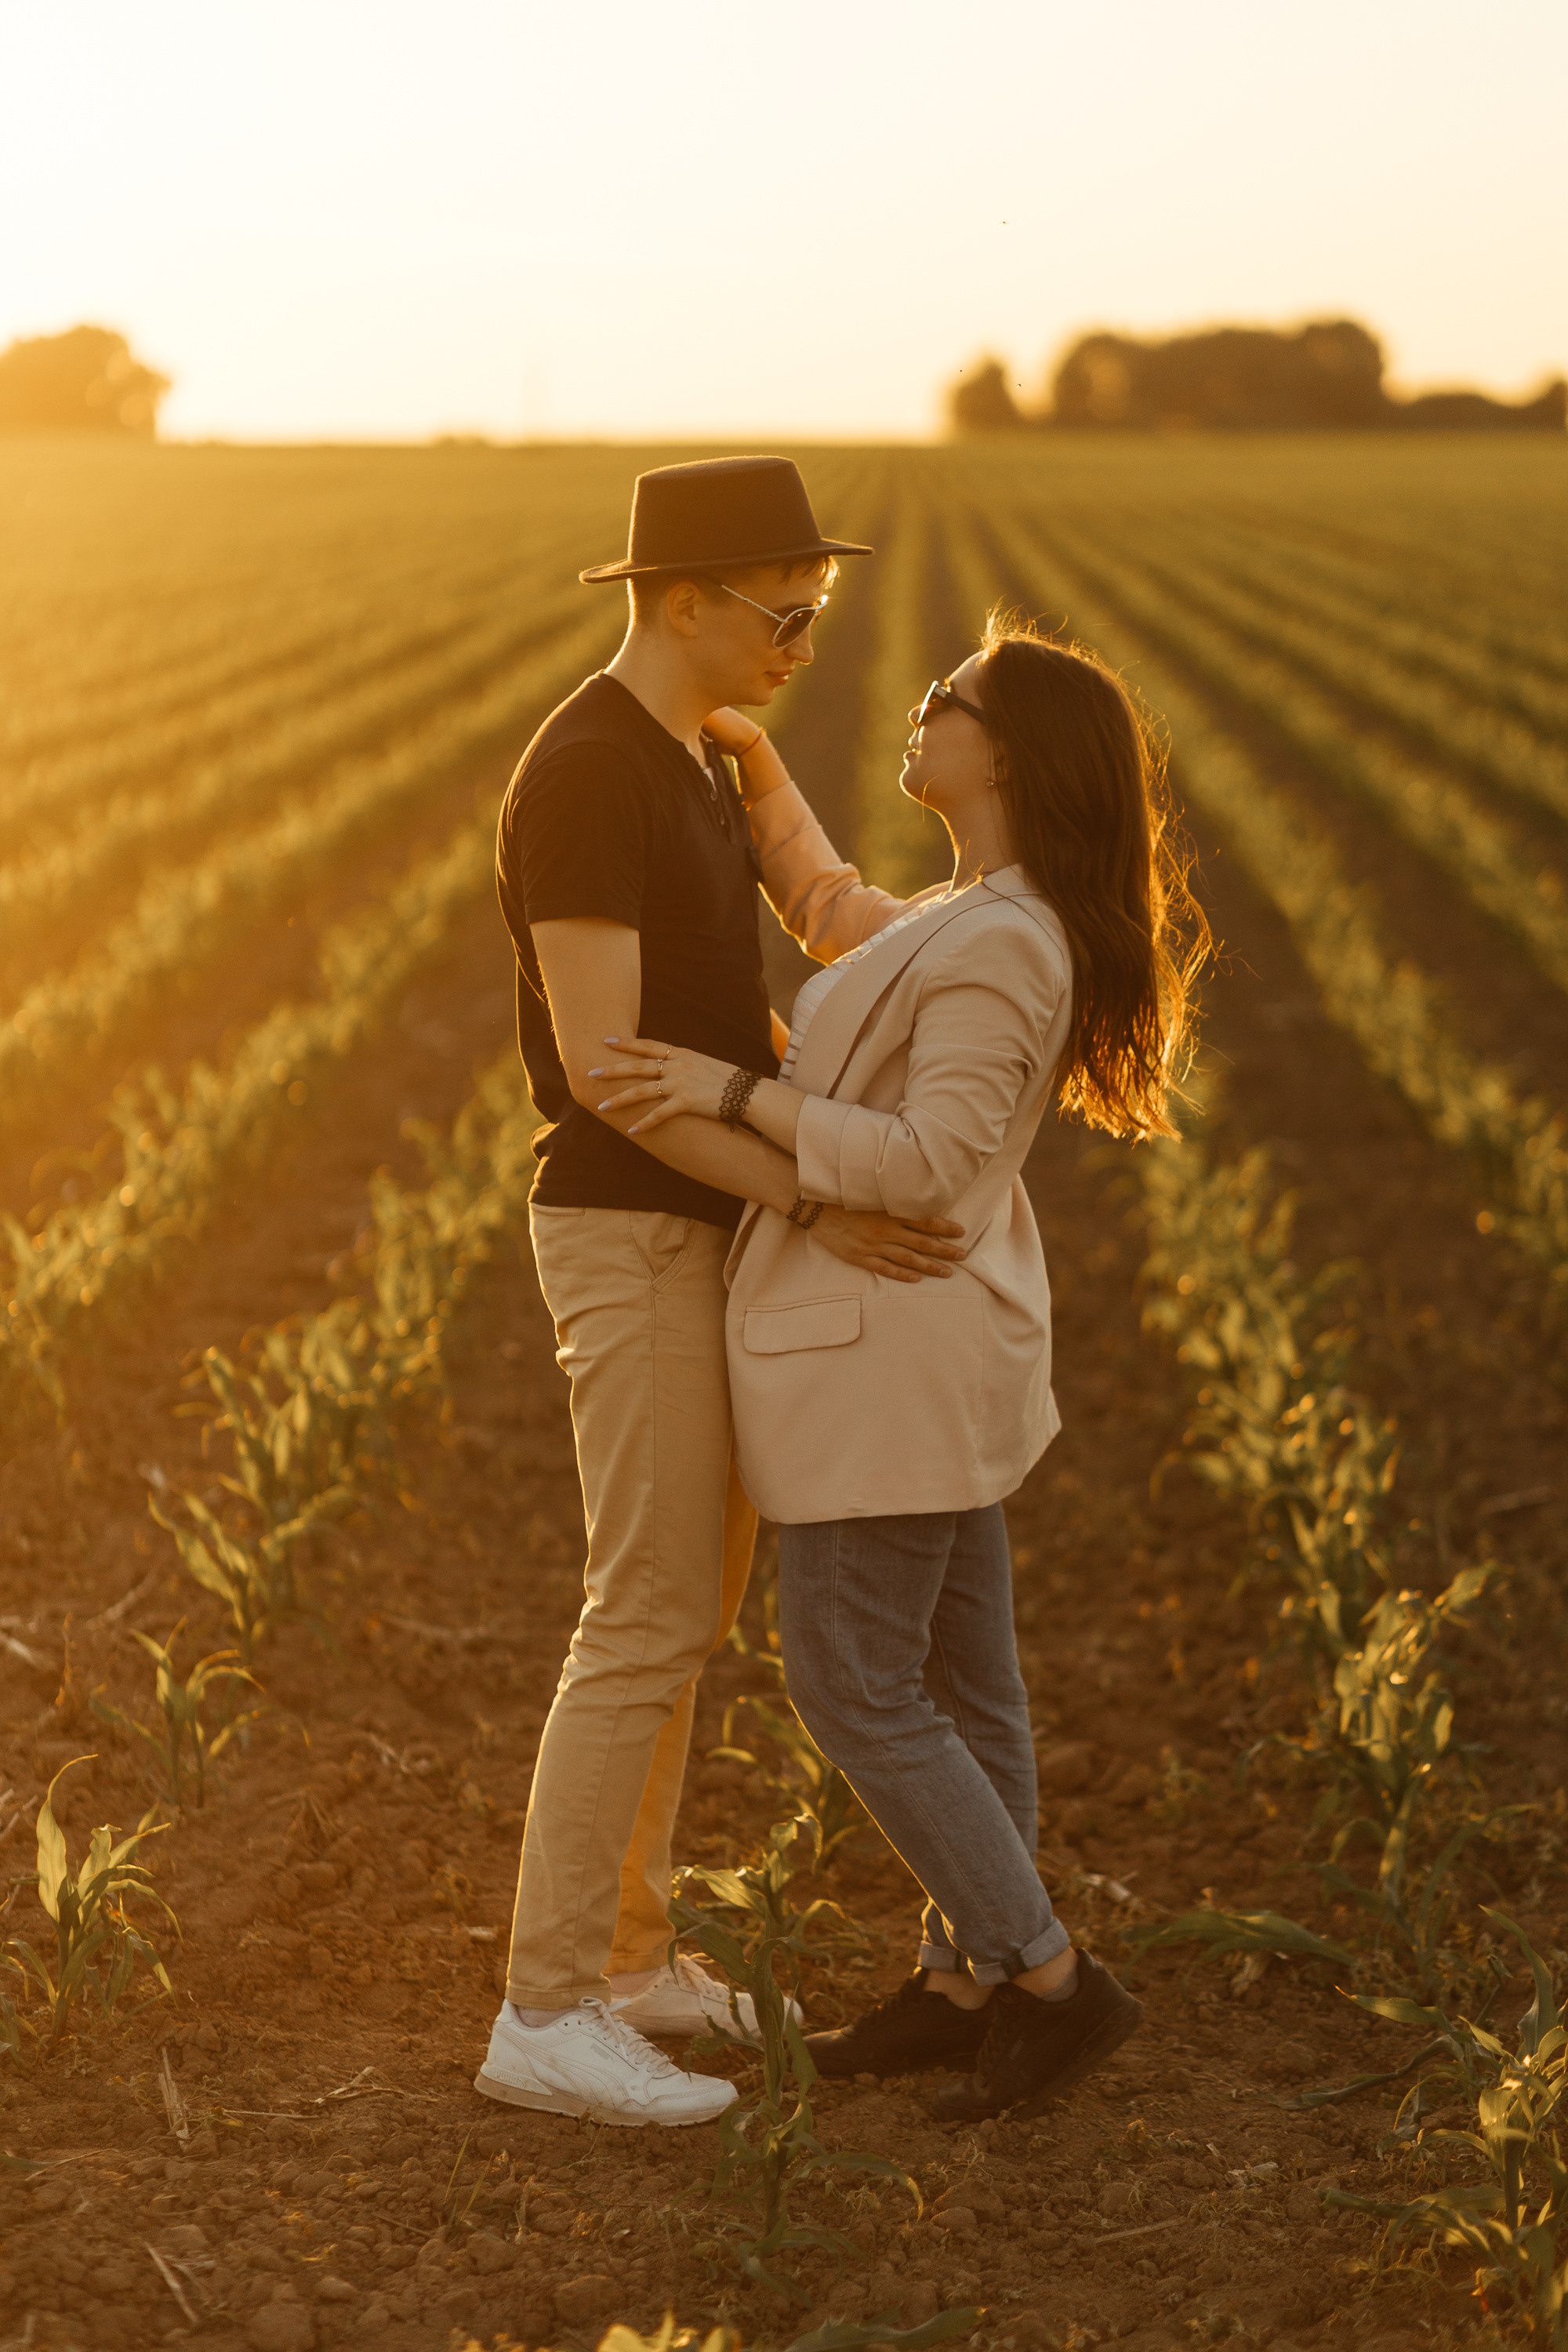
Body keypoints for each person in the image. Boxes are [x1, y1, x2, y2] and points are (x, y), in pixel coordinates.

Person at [590, 616, 1209, 2121]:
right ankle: (964, 1983)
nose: (923, 710)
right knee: (965, 1682)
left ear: (1010, 755)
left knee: (856, 1683)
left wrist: (743, 1091)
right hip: (932, 1358)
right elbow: (841, 913)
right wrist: (760, 778)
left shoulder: (1005, 936)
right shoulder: (976, 908)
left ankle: (1049, 1977)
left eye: (952, 700)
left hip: (888, 1356)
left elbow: (931, 1167)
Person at [478, 456, 967, 2129]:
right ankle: (543, 2011)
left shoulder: (690, 758)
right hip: (629, 1228)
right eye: (784, 612)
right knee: (643, 1613)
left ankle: (624, 1961)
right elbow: (615, 1072)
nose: (807, 640)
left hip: (706, 1223)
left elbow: (831, 930)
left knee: (685, 1613)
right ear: (678, 598)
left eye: (818, 614)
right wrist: (822, 1198)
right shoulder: (589, 774)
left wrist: (762, 789)